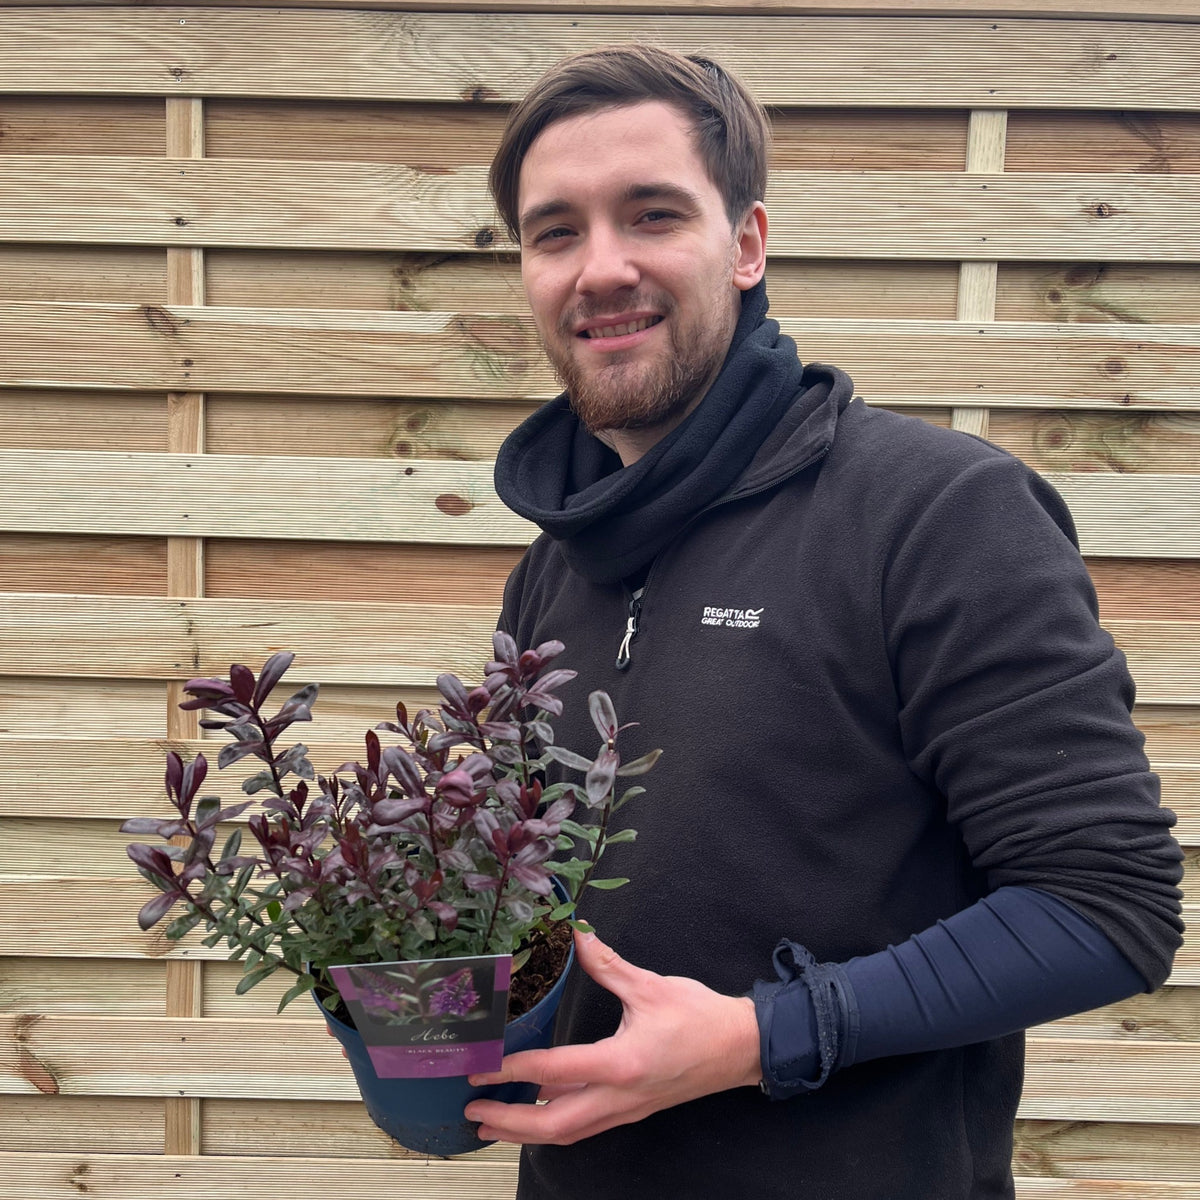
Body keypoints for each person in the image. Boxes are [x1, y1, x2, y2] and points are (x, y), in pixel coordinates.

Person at [462, 45, 1184, 1199]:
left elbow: (1107, 906)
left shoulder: (938, 514)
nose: (601, 268)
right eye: (556, 232)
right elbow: (517, 899)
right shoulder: (553, 567)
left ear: (746, 245)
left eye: (652, 214)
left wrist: (760, 1037)